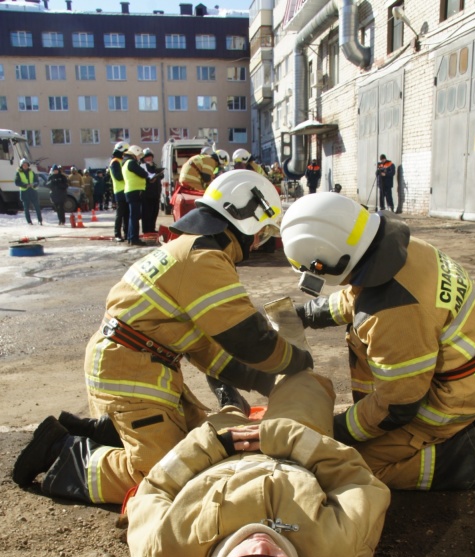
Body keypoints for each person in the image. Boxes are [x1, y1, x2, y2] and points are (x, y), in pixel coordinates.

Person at [13, 171, 313, 507]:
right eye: (262, 231)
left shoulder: (189, 251)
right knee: (164, 475)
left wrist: (264, 380)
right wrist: (298, 362)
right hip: (129, 372)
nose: (258, 242)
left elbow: (209, 349)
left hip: (135, 363)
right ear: (246, 217)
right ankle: (60, 455)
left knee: (196, 446)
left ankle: (101, 433)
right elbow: (249, 339)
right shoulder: (203, 259)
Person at [126, 369, 390, 557]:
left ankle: (231, 405)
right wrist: (288, 439)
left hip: (216, 454)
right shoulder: (339, 552)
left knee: (220, 419)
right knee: (302, 380)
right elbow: (358, 481)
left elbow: (155, 487)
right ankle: (264, 386)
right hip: (291, 448)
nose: (263, 547)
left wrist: (214, 445)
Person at [280, 193, 475, 492]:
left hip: (447, 401)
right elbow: (360, 292)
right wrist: (309, 313)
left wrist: (335, 430)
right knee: (360, 435)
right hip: (464, 368)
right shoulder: (393, 250)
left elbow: (397, 407)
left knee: (349, 467)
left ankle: (471, 457)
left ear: (325, 262)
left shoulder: (395, 314)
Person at [122, 145, 152, 247]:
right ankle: (134, 239)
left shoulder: (126, 163)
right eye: (138, 155)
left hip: (131, 191)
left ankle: (131, 237)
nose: (139, 157)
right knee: (135, 216)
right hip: (134, 191)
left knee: (132, 216)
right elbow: (143, 173)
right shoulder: (131, 163)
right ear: (134, 154)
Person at [109, 142, 130, 242]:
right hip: (120, 191)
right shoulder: (115, 162)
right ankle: (117, 234)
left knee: (126, 214)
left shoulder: (122, 161)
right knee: (120, 214)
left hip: (126, 189)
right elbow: (118, 176)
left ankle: (126, 234)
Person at [140, 148, 163, 234]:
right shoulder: (142, 166)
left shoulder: (154, 165)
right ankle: (146, 230)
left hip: (155, 193)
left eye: (150, 157)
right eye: (146, 157)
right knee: (146, 213)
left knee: (154, 212)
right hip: (146, 193)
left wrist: (159, 173)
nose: (149, 159)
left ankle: (152, 228)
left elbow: (160, 176)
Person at [15, 159, 43, 225]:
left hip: (32, 191)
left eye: (26, 164)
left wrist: (34, 184)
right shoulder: (18, 173)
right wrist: (25, 185)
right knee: (26, 208)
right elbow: (17, 182)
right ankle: (29, 222)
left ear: (28, 165)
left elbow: (37, 181)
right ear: (21, 166)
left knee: (37, 207)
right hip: (24, 192)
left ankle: (40, 220)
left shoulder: (31, 172)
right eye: (23, 165)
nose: (25, 166)